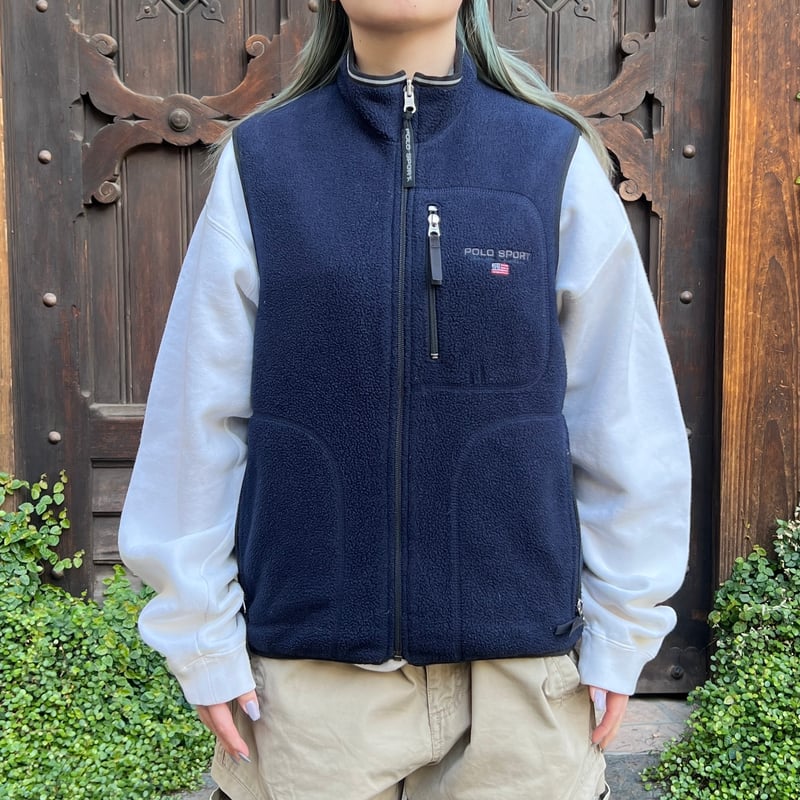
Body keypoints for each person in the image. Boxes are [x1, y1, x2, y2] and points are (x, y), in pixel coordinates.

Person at [118, 1, 691, 798]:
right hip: (311, 690)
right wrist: (199, 637)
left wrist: (624, 627)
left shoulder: (549, 157)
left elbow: (622, 415)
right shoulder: (266, 161)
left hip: (524, 684)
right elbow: (197, 420)